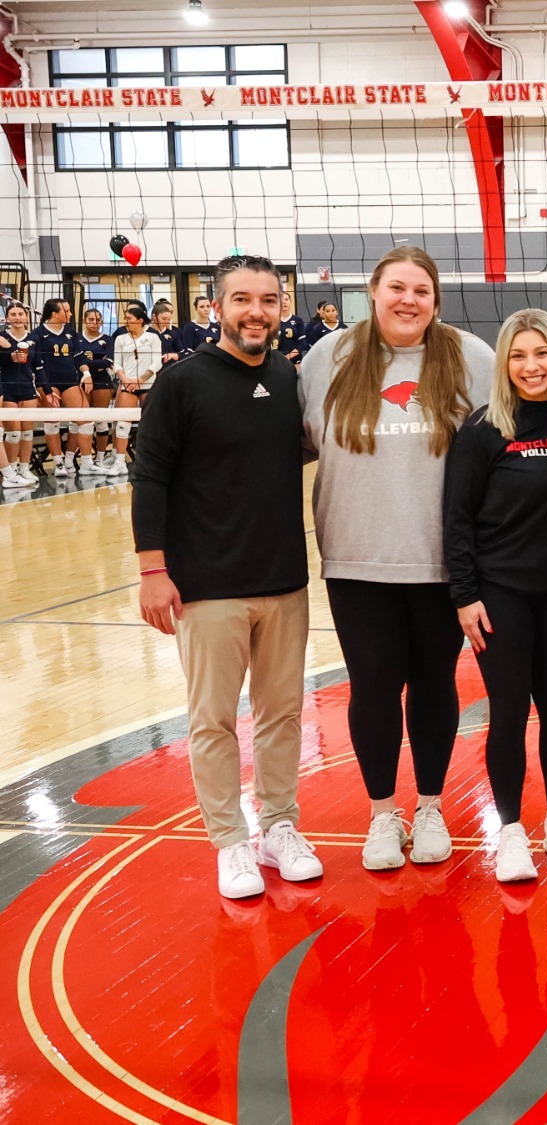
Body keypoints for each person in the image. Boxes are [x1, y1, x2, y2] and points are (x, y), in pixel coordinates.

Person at [300, 245, 493, 872]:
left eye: (422, 291)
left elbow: (503, 449)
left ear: (436, 301)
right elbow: (292, 447)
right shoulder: (328, 357)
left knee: (436, 683)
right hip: (357, 558)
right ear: (373, 292)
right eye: (397, 289)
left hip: (443, 562)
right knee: (374, 687)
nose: (408, 300)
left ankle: (430, 805)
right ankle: (384, 813)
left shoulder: (471, 358)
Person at [132, 253, 318, 899]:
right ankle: (229, 843)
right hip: (208, 584)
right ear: (215, 307)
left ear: (281, 307)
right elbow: (150, 475)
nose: (256, 311)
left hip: (284, 581)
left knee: (282, 714)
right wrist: (153, 570)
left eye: (268, 299)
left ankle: (277, 827)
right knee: (213, 719)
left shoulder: (291, 379)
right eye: (243, 299)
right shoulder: (182, 382)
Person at [444, 308, 547, 884]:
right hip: (500, 593)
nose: (532, 366)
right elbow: (455, 520)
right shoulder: (482, 430)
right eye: (519, 355)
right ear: (504, 362)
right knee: (508, 709)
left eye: (542, 353)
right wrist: (464, 595)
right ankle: (508, 831)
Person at [29, 298, 91, 478]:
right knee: (52, 423)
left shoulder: (71, 333)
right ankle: (58, 463)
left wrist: (86, 373)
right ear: (55, 314)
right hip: (47, 383)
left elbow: (79, 358)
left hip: (70, 380)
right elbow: (35, 363)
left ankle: (81, 461)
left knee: (85, 421)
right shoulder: (38, 334)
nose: (70, 313)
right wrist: (43, 387)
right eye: (67, 310)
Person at [109, 302, 161, 472]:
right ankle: (120, 461)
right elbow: (117, 363)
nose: (126, 321)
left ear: (139, 320)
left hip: (147, 384)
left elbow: (157, 362)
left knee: (152, 422)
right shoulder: (120, 338)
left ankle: (152, 459)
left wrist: (140, 380)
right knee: (123, 423)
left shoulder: (153, 337)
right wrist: (125, 380)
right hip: (128, 384)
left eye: (129, 318)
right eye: (125, 318)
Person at [78, 308, 118, 476]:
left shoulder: (108, 339)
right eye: (92, 319)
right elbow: (76, 361)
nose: (95, 322)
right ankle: (82, 459)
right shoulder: (77, 338)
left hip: (102, 381)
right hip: (82, 381)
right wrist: (96, 363)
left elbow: (109, 361)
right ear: (85, 320)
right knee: (83, 420)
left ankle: (100, 458)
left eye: (98, 320)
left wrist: (87, 362)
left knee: (101, 420)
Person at [1, 303, 36, 489]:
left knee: (27, 431)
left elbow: (39, 365)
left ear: (26, 317)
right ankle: (11, 470)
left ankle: (24, 468)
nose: (17, 317)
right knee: (13, 431)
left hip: (27, 387)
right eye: (13, 314)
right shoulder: (2, 338)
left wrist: (45, 388)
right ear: (7, 318)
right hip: (7, 388)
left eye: (20, 314)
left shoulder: (34, 338)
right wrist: (9, 354)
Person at [276, 292, 305, 366]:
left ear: (290, 301)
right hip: (276, 361)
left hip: (295, 361)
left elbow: (302, 344)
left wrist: (289, 356)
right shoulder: (272, 321)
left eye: (286, 299)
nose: (284, 302)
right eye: (281, 300)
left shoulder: (298, 320)